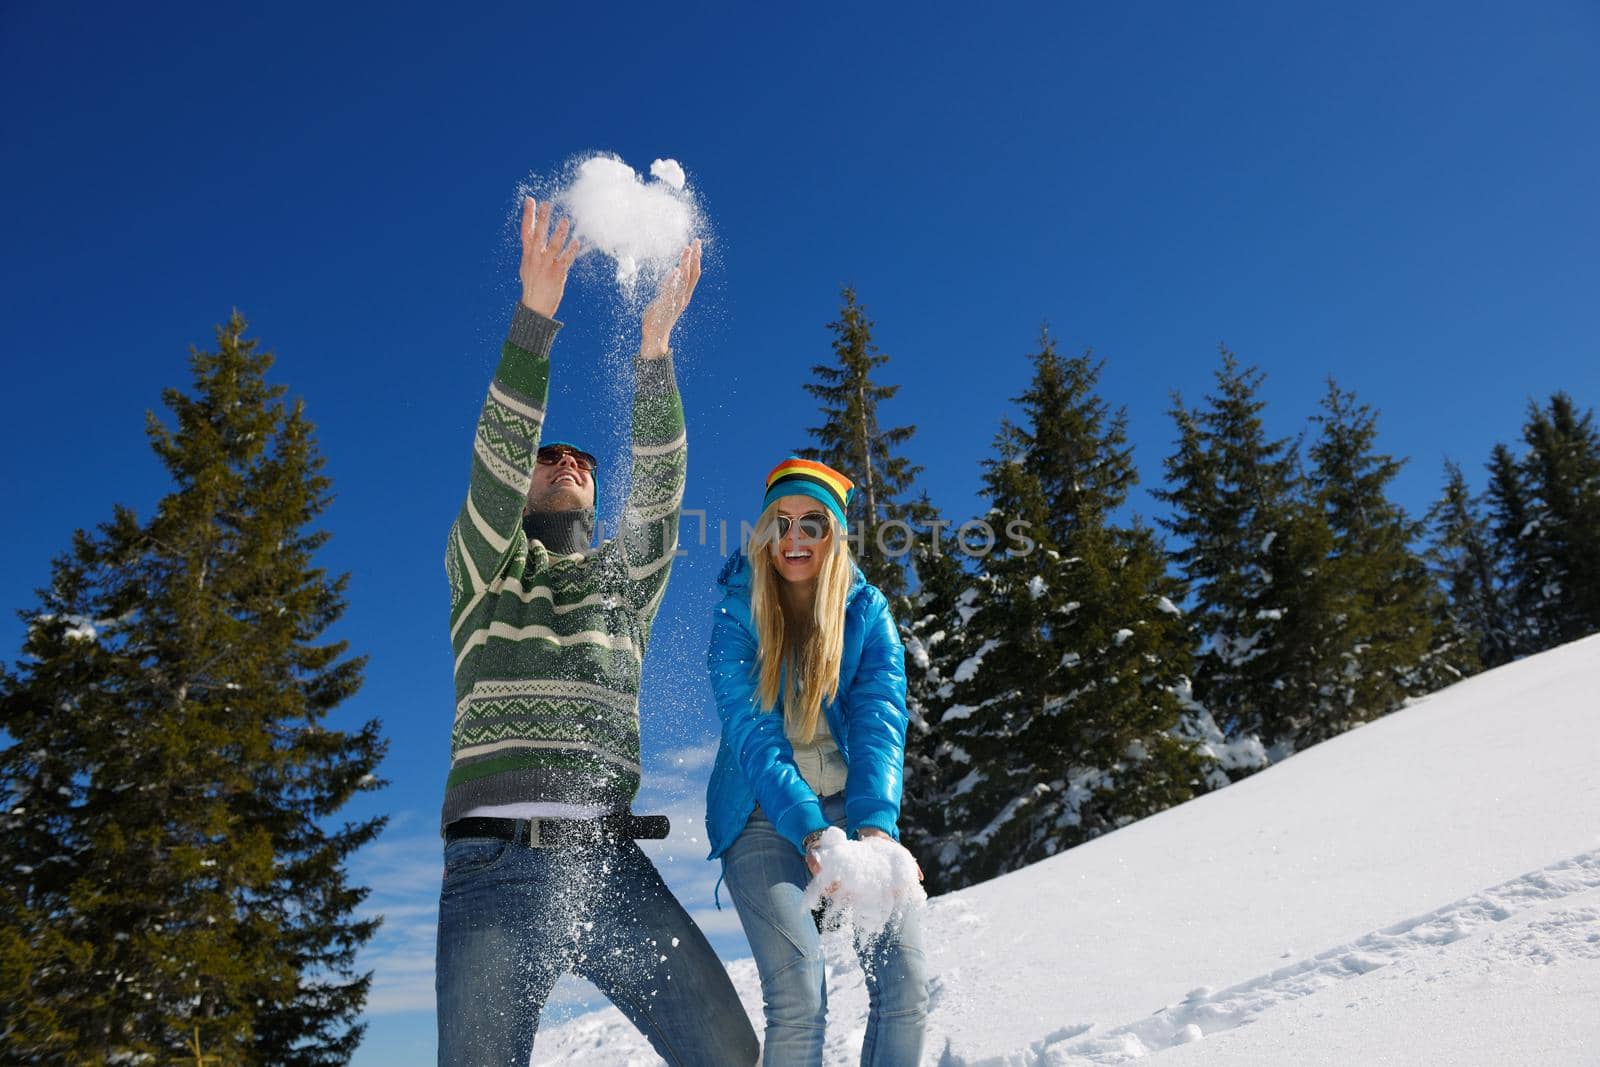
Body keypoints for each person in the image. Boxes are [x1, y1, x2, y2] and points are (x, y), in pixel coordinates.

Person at [436, 197, 757, 1066]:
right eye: (552, 456)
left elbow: (658, 489)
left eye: (583, 459)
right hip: (489, 874)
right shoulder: (480, 570)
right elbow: (493, 463)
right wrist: (535, 320)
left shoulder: (625, 581)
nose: (570, 461)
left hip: (609, 864)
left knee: (730, 1050)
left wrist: (655, 349)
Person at [704, 458, 929, 1066]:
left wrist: (876, 830)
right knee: (800, 996)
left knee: (906, 987)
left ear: (835, 533)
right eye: (781, 523)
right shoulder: (737, 612)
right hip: (760, 812)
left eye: (812, 523)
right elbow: (753, 735)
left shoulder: (866, 610)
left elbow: (880, 717)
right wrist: (808, 830)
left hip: (854, 811)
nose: (794, 539)